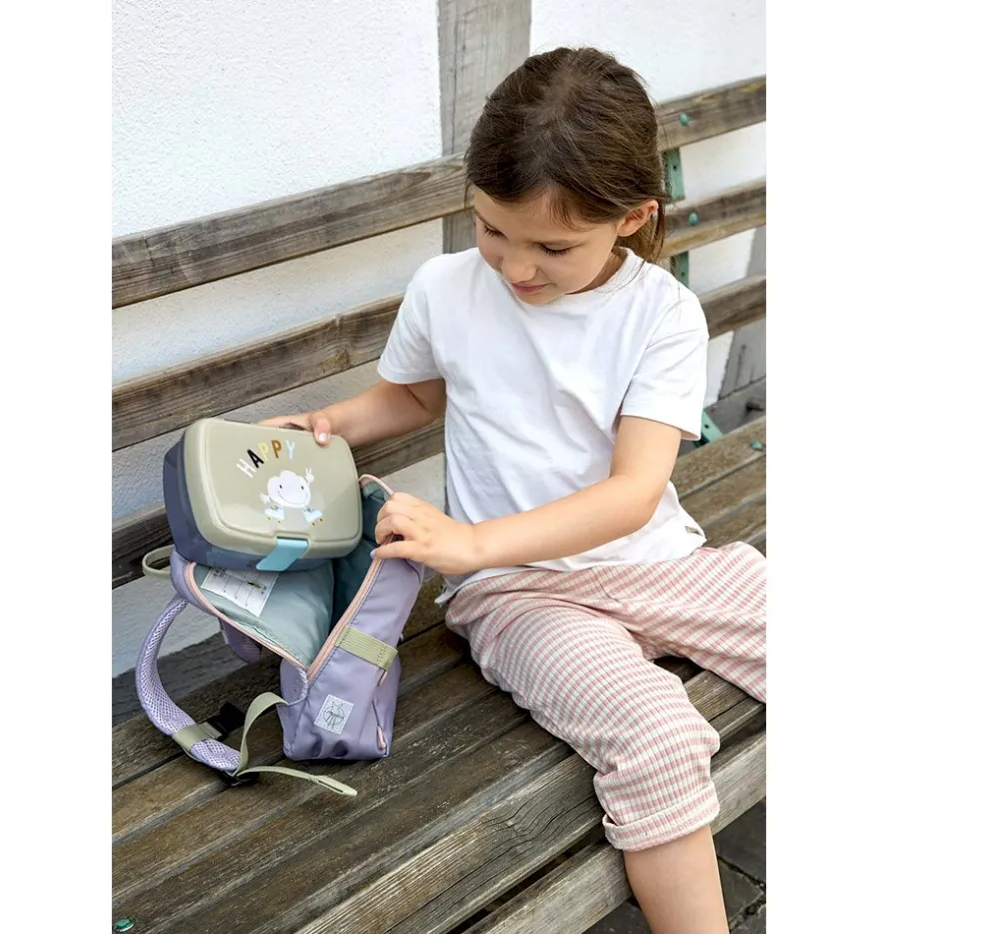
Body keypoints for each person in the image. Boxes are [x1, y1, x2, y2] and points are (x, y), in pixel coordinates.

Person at [263, 46, 766, 934]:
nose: (516, 268)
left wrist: (469, 541)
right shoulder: (446, 289)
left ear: (632, 218)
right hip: (518, 594)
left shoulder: (661, 314)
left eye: (553, 247)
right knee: (658, 738)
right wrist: (330, 423)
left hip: (658, 561)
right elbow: (415, 396)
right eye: (491, 230)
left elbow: (634, 492)